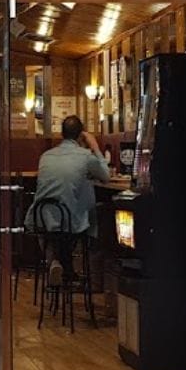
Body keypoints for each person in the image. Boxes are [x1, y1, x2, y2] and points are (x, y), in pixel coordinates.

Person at [24, 115, 110, 286]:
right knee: (87, 215)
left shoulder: (46, 156)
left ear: (61, 134)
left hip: (41, 218)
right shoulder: (85, 156)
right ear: (81, 136)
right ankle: (82, 274)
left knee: (54, 232)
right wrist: (95, 147)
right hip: (70, 222)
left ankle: (55, 263)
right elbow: (105, 176)